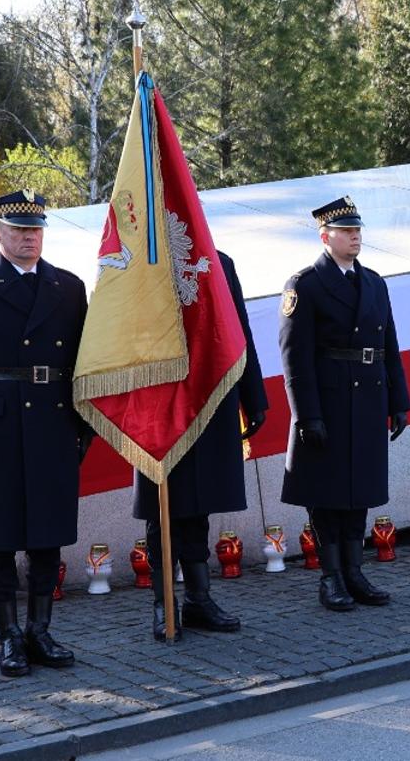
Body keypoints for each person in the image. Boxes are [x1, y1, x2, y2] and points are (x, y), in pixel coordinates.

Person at [0, 190, 91, 678]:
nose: (30, 238)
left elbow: (84, 363)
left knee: (48, 535)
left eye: (36, 229)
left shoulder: (68, 287)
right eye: (20, 230)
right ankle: (8, 636)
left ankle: (39, 630)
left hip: (52, 419)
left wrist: (85, 423)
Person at [280, 197, 410, 612]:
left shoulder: (374, 282)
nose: (355, 237)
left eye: (358, 231)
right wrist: (307, 414)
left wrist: (399, 400)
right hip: (330, 402)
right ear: (326, 236)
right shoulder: (305, 285)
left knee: (360, 492)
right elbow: (294, 357)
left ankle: (355, 572)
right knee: (327, 494)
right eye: (346, 231)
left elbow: (388, 344)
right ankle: (331, 577)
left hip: (369, 400)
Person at [133, 250, 266, 639]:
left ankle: (197, 598)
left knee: (200, 501)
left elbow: (238, 331)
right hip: (159, 401)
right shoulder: (138, 264)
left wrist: (253, 397)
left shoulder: (220, 262)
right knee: (162, 511)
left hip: (211, 396)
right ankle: (164, 603)